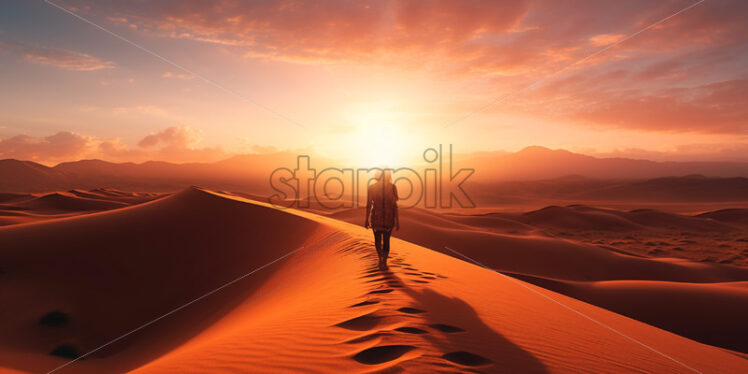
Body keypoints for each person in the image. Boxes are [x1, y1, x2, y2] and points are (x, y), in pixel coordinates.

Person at [364, 169, 400, 269]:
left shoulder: (373, 187)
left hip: (379, 217)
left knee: (379, 240)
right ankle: (383, 260)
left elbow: (369, 204)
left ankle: (382, 260)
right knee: (383, 240)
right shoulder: (392, 187)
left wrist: (366, 219)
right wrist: (397, 221)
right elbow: (394, 205)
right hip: (384, 217)